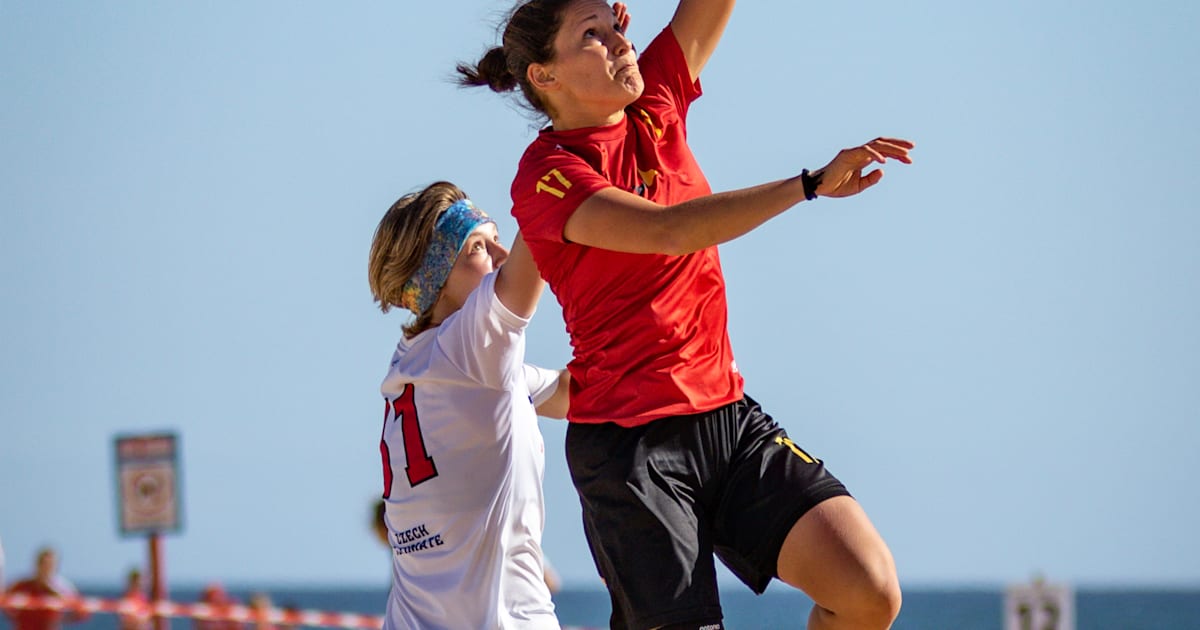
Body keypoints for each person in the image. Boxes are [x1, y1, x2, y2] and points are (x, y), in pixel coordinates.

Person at [458, 1, 914, 628]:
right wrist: (806, 185)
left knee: (869, 591)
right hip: (630, 447)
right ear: (544, 76)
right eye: (592, 36)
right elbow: (669, 231)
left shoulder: (656, 101)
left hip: (725, 417)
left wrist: (602, 28)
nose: (619, 42)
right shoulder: (548, 174)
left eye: (615, 26)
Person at [368, 181, 569, 629]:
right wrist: (569, 143)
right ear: (436, 281)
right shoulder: (468, 348)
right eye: (478, 247)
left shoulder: (416, 361)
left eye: (497, 238)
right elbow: (542, 226)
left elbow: (578, 392)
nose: (500, 256)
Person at [2, 547, 89, 630]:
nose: (46, 567)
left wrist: (62, 620)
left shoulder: (62, 586)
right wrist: (16, 617)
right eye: (43, 563)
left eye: (50, 564)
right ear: (37, 564)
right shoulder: (22, 584)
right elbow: (4, 601)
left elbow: (82, 612)